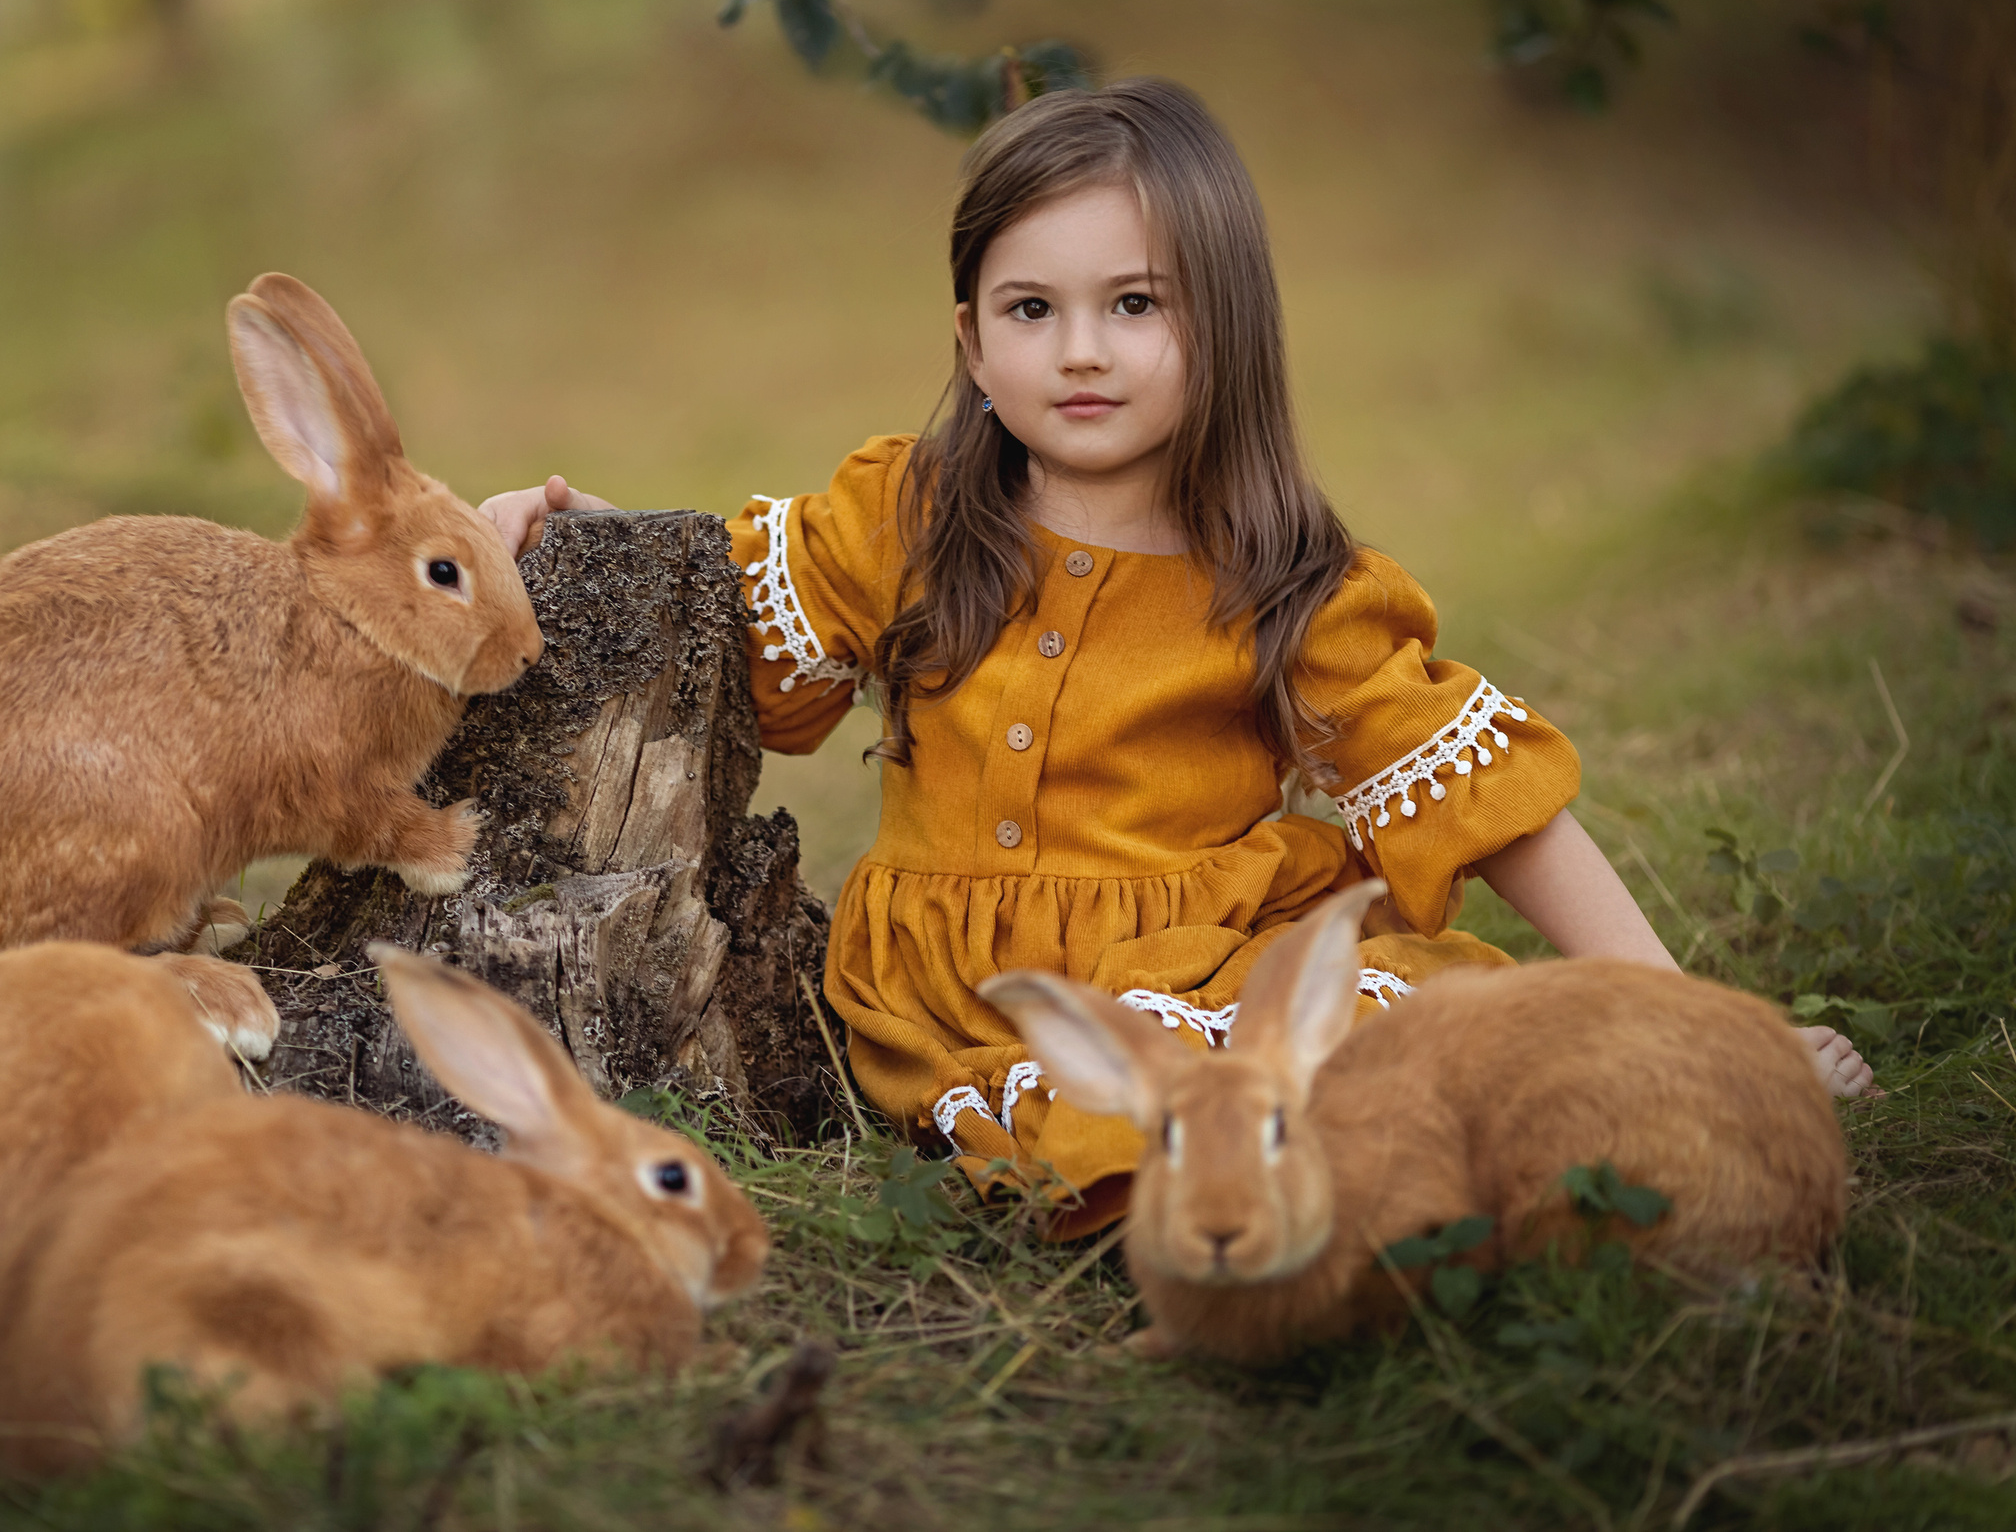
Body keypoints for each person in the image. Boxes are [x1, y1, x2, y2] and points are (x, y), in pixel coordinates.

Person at [483, 78, 1872, 1239]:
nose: (1081, 353)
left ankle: (1578, 1158)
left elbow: (1485, 803)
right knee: (1119, 1123)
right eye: (1031, 312)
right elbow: (711, 604)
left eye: (1135, 305)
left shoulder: (1288, 584)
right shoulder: (909, 512)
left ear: (1222, 325)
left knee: (1421, 1056)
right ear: (971, 342)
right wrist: (550, 539)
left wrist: (1707, 1022)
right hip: (980, 1005)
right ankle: (1285, 1216)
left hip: (1219, 958)